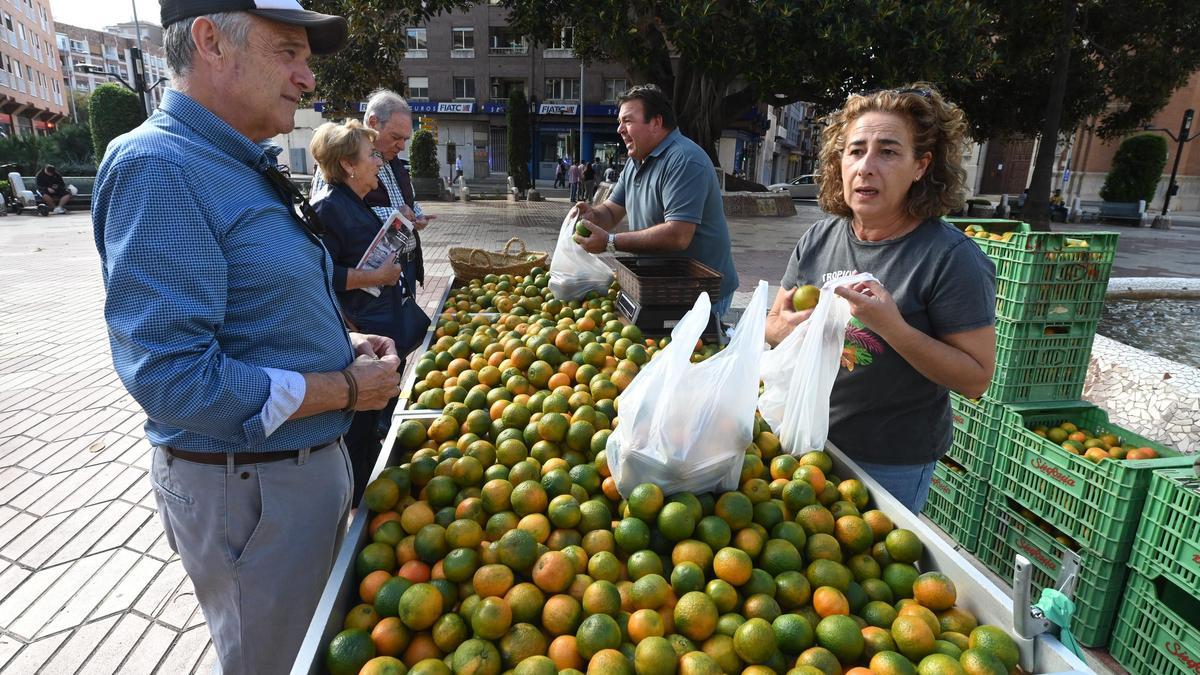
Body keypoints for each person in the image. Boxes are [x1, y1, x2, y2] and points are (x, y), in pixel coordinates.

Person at [91, 3, 402, 673]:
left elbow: (260, 311)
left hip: (286, 480)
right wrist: (343, 387)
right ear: (211, 42)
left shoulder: (233, 161)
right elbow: (173, 376)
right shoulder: (162, 167)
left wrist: (344, 344)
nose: (307, 79)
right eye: (288, 52)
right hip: (252, 491)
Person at [764, 84, 997, 512]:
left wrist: (892, 327)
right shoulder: (820, 237)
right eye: (855, 151)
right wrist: (787, 328)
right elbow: (773, 323)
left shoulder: (950, 258)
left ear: (920, 166)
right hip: (806, 438)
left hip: (889, 462)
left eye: (888, 152)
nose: (866, 167)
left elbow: (975, 377)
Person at [573, 84, 739, 318]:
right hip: (662, 288)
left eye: (628, 121)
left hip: (699, 294)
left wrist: (610, 242)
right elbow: (611, 211)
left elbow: (678, 235)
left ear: (657, 122)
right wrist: (592, 217)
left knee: (697, 354)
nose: (620, 129)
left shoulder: (684, 160)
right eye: (620, 122)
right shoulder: (635, 162)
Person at [310, 121, 409, 505]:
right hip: (358, 329)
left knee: (370, 423)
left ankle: (367, 491)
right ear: (349, 164)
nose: (378, 163)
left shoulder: (356, 202)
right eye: (371, 156)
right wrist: (376, 275)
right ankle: (354, 503)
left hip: (378, 321)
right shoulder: (328, 209)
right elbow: (320, 271)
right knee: (356, 426)